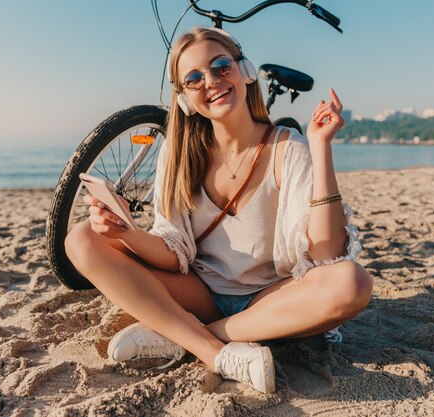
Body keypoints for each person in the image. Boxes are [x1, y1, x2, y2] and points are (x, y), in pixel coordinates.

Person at [64, 27, 372, 394]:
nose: (211, 81)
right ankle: (214, 351)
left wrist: (321, 148)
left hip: (272, 299)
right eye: (193, 78)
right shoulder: (178, 156)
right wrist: (125, 234)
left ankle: (184, 336)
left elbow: (326, 255)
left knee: (351, 282)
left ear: (246, 71)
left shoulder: (288, 148)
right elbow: (172, 250)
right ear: (184, 99)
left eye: (221, 66)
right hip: (201, 294)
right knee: (83, 238)